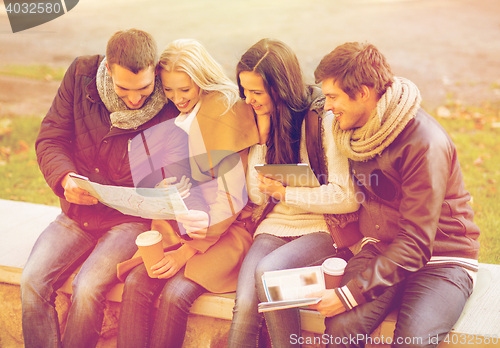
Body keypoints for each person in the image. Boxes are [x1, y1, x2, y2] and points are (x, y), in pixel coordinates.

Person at [21, 29, 208, 348]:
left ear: (155, 71)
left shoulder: (171, 104)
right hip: (78, 212)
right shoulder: (80, 76)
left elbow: (185, 169)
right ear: (108, 68)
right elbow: (51, 138)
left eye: (145, 88)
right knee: (31, 282)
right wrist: (65, 178)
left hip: (129, 222)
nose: (135, 99)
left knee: (88, 286)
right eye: (124, 88)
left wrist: (168, 183)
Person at [310, 42, 480, 348]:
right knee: (339, 332)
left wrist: (348, 295)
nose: (328, 106)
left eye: (333, 97)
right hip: (382, 247)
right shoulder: (354, 131)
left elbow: (416, 244)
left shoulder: (425, 143)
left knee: (412, 342)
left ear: (363, 92)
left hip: (440, 259)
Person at [116, 39, 259, 348]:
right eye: (168, 90)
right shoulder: (178, 117)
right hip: (178, 223)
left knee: (175, 295)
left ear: (202, 80)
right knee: (138, 282)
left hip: (225, 230)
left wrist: (184, 252)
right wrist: (161, 187)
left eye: (185, 89)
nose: (177, 98)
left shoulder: (225, 111)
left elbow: (231, 197)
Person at [226, 38, 360, 348]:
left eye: (256, 92)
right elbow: (259, 198)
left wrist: (287, 194)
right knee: (245, 303)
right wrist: (261, 139)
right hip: (273, 227)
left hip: (323, 228)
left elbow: (346, 196)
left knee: (269, 273)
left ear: (280, 88)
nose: (248, 100)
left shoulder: (323, 120)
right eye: (244, 90)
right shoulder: (264, 118)